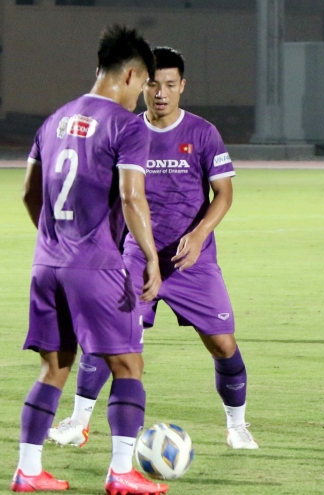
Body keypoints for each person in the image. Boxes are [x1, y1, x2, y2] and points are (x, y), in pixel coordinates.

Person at [47, 46, 258, 451]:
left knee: (223, 344)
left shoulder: (202, 133)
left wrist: (200, 234)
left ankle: (237, 426)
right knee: (110, 336)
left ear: (183, 86)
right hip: (136, 258)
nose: (161, 93)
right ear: (142, 85)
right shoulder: (125, 132)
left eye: (170, 85)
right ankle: (78, 422)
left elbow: (224, 193)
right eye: (154, 84)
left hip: (192, 261)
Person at [12, 25, 169, 494]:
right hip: (96, 265)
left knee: (55, 367)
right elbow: (132, 197)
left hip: (47, 264)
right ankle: (121, 471)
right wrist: (151, 257)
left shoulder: (54, 120)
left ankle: (28, 470)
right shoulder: (127, 126)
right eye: (144, 85)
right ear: (132, 75)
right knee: (128, 366)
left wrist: (56, 241)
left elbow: (29, 193)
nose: (142, 97)